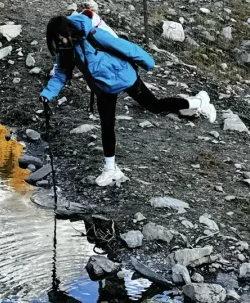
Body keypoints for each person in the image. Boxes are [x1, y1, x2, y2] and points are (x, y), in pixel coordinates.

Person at [41, 11, 215, 187]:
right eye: (57, 39)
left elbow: (123, 46)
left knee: (155, 106)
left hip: (125, 76)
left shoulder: (93, 35)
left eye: (61, 37)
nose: (61, 42)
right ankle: (111, 169)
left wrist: (148, 63)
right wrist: (47, 94)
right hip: (103, 88)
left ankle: (199, 103)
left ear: (69, 31)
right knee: (106, 125)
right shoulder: (65, 50)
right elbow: (61, 73)